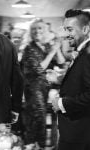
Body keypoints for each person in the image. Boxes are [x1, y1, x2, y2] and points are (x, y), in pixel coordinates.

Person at [20, 18, 64, 149]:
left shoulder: (45, 46)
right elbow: (39, 69)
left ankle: (38, 145)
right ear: (31, 32)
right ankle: (33, 145)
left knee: (41, 118)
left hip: (43, 88)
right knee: (36, 118)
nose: (37, 31)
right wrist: (52, 52)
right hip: (33, 89)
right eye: (34, 29)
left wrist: (57, 48)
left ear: (45, 31)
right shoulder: (29, 48)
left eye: (40, 28)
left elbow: (61, 62)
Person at [50, 9, 90, 150]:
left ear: (85, 29)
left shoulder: (88, 54)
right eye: (65, 29)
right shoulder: (82, 51)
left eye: (70, 29)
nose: (66, 34)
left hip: (80, 134)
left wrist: (62, 104)